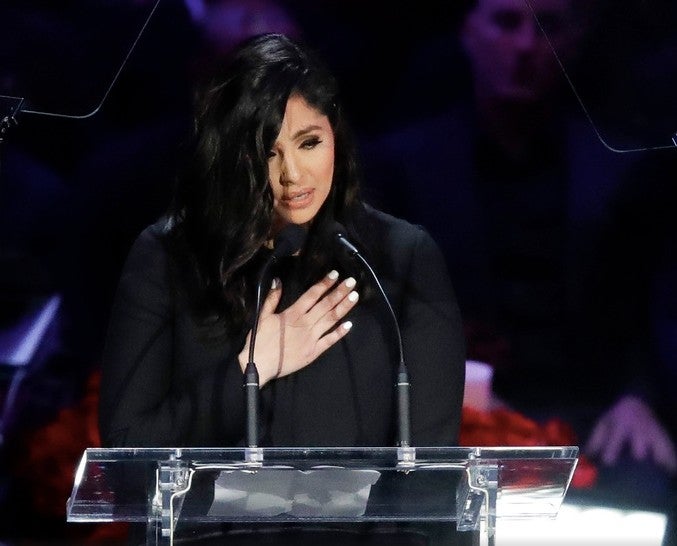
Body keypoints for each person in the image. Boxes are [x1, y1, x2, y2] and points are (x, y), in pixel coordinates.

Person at [98, 33, 468, 544]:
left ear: (336, 135)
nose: (293, 175)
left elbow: (429, 482)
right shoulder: (168, 257)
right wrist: (252, 369)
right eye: (267, 153)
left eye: (310, 142)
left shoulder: (401, 259)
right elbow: (126, 456)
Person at [362, 0, 676, 518]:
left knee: (642, 494)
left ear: (579, 37)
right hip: (447, 422)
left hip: (589, 415)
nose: (527, 47)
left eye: (548, 27)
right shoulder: (401, 166)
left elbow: (653, 303)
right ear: (468, 30)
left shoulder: (621, 169)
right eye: (506, 23)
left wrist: (638, 396)